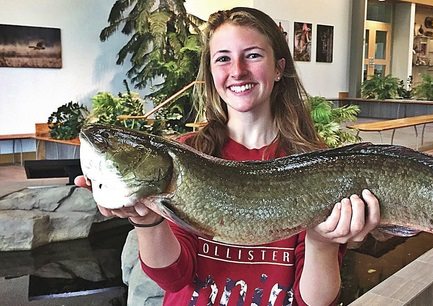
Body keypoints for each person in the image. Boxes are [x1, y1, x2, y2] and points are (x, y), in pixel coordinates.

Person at [76, 7, 380, 306]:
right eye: (223, 58)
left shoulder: (318, 165)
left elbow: (315, 301)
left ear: (279, 68)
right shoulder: (187, 156)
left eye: (253, 55)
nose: (237, 70)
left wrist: (322, 243)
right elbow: (174, 278)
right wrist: (149, 223)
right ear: (211, 72)